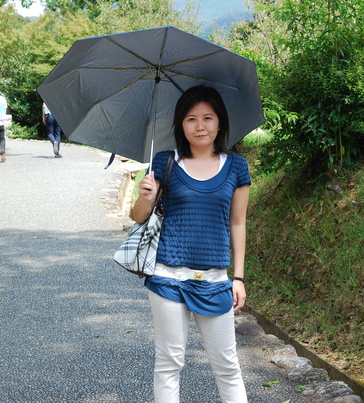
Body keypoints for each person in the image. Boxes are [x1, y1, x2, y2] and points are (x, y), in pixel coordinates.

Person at [133, 85, 250, 403]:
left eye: (208, 118)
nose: (200, 126)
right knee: (169, 363)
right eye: (191, 119)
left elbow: (237, 223)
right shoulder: (164, 161)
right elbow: (139, 216)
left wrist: (237, 278)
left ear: (220, 123)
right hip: (167, 278)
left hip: (215, 280)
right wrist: (146, 198)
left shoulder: (237, 167)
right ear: (180, 125)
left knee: (227, 366)